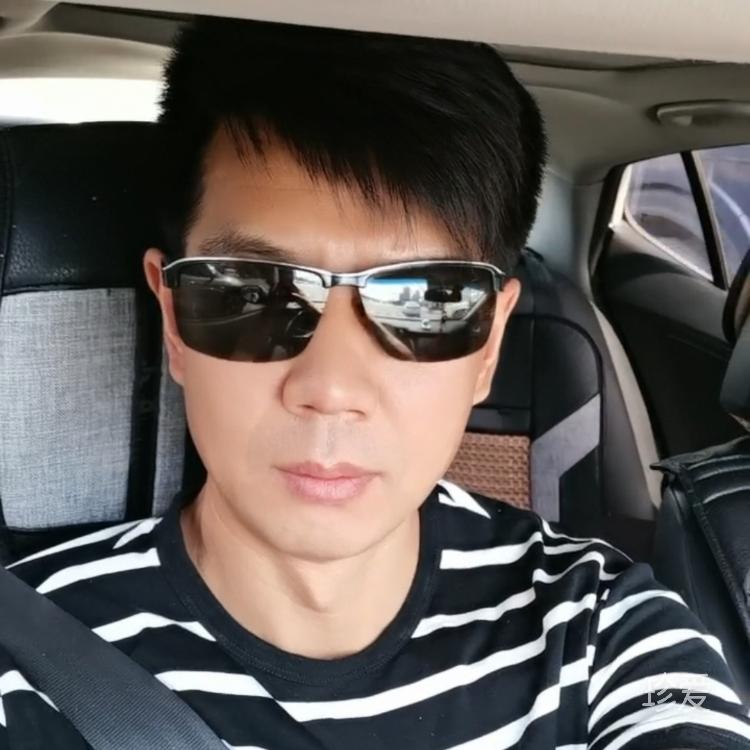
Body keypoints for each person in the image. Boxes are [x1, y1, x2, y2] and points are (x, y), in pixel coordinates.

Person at [1, 16, 749, 750]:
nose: (330, 388)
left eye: (424, 300)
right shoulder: (26, 658)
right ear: (173, 319)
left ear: (488, 343)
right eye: (252, 294)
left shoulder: (600, 629)